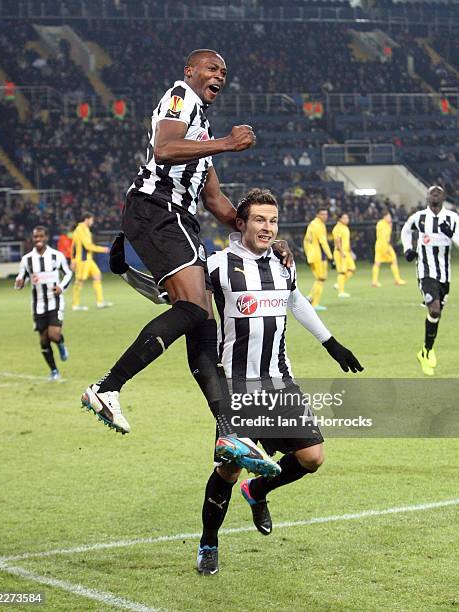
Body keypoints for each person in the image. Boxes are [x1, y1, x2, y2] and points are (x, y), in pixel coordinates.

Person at [82, 49, 292, 476]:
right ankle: (106, 388)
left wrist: (259, 235)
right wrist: (228, 144)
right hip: (157, 209)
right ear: (190, 71)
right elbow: (163, 148)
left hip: (180, 219)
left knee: (203, 322)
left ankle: (228, 431)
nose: (220, 76)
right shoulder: (181, 97)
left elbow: (214, 199)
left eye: (224, 72)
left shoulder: (202, 128)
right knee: (195, 308)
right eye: (212, 68)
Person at [195, 189, 363, 575]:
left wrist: (330, 343)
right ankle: (208, 544)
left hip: (279, 382)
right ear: (241, 223)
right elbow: (180, 295)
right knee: (229, 469)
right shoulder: (218, 265)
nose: (267, 227)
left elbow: (297, 300)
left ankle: (258, 492)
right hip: (236, 385)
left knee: (312, 457)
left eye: (272, 220)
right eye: (259, 219)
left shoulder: (283, 266)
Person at [401, 185, 459, 376]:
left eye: (439, 190)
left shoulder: (453, 218)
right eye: (432, 191)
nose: (436, 192)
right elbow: (406, 230)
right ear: (427, 196)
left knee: (436, 316)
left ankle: (426, 351)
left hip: (444, 276)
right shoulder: (419, 217)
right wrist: (407, 248)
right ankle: (427, 352)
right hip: (425, 272)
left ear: (444, 196)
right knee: (434, 308)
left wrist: (451, 233)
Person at [15, 226, 73, 380]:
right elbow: (22, 277)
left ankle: (61, 345)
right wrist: (19, 282)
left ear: (46, 237)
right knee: (43, 340)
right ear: (33, 239)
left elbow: (68, 273)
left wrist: (61, 287)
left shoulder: (57, 256)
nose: (38, 239)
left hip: (55, 302)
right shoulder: (27, 259)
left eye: (41, 236)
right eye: (36, 237)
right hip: (38, 304)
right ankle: (54, 371)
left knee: (54, 335)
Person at [71, 212, 112, 311]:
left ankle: (100, 302)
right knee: (79, 282)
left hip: (89, 260)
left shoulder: (85, 229)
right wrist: (103, 249)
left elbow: (73, 246)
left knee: (97, 276)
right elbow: (86, 246)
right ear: (87, 219)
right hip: (82, 260)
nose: (92, 222)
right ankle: (75, 305)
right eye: (92, 220)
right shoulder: (80, 229)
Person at [303, 207, 333, 311]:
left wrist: (307, 255)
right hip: (318, 256)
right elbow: (323, 242)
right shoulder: (320, 226)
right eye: (323, 214)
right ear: (317, 215)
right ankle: (314, 303)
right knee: (321, 279)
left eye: (326, 214)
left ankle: (310, 297)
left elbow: (305, 241)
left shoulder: (311, 224)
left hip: (312, 256)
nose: (325, 216)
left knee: (320, 278)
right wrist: (330, 256)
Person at [372, 211, 406, 288]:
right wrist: (386, 247)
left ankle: (375, 281)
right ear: (385, 217)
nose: (390, 218)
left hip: (381, 245)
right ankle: (396, 280)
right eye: (389, 217)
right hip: (383, 245)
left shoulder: (386, 224)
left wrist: (390, 227)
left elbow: (388, 236)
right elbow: (384, 237)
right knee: (382, 262)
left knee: (390, 261)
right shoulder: (382, 224)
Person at [332, 212, 355, 298]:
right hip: (340, 253)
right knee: (342, 272)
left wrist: (350, 252)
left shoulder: (345, 228)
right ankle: (341, 292)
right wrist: (342, 252)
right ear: (340, 219)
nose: (347, 220)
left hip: (347, 252)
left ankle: (339, 284)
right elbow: (337, 241)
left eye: (347, 218)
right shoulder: (338, 228)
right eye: (345, 218)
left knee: (352, 269)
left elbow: (346, 242)